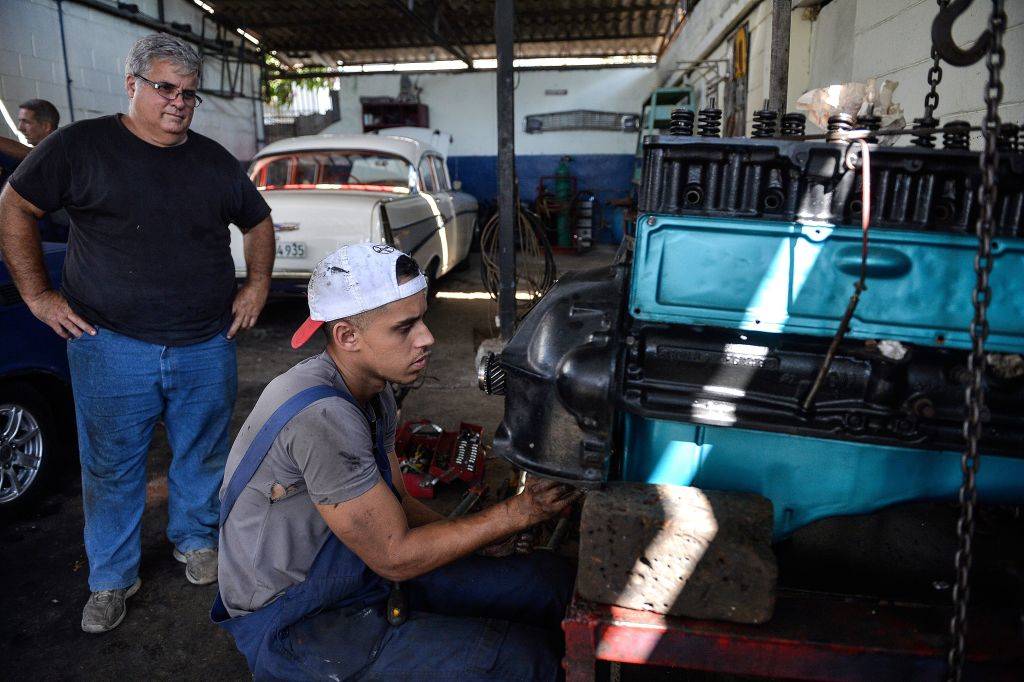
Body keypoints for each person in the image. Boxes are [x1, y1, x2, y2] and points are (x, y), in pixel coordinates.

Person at [0, 34, 275, 634]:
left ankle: (196, 541)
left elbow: (258, 220)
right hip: (109, 342)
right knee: (111, 467)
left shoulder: (211, 161)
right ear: (132, 86)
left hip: (206, 341)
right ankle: (110, 578)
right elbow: (15, 205)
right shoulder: (79, 147)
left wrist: (257, 285)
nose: (179, 102)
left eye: (189, 93)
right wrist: (37, 296)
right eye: (165, 88)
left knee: (201, 453)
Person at [214, 243, 579, 681]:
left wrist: (479, 538)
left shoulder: (374, 389)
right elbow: (394, 556)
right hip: (297, 619)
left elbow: (397, 504)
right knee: (526, 660)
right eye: (404, 327)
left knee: (550, 583)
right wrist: (516, 514)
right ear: (348, 336)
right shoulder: (323, 415)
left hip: (355, 571)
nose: (427, 337)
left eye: (421, 319)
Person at [0, 98, 60, 183]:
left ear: (46, 126)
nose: (20, 128)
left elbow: (34, 155)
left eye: (26, 122)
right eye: (20, 121)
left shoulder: (60, 155)